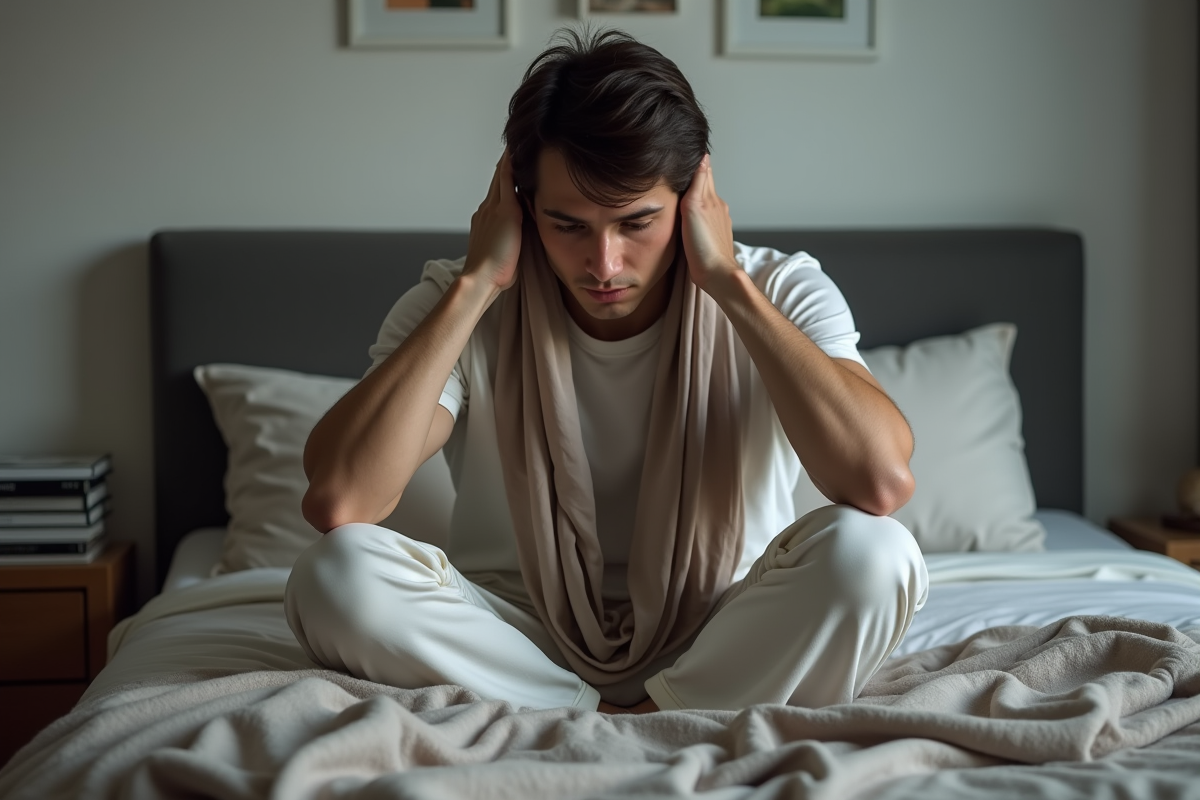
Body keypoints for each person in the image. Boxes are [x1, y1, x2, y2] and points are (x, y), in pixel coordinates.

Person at [285, 28, 928, 714]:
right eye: (568, 225)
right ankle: (607, 714)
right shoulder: (461, 300)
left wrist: (731, 288)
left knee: (877, 552)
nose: (604, 264)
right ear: (520, 204)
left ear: (695, 196)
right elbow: (341, 500)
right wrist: (476, 286)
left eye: (635, 222)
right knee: (333, 573)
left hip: (727, 630)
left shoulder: (780, 288)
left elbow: (879, 480)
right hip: (514, 639)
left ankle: (642, 705)